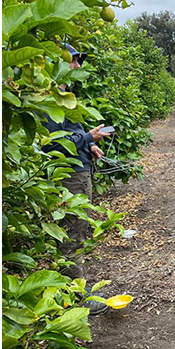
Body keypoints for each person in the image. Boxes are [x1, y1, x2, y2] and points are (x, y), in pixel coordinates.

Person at [42, 44, 113, 287]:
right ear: (56, 63)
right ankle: (75, 293)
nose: (78, 65)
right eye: (73, 60)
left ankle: (70, 287)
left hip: (78, 171)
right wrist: (88, 137)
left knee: (77, 230)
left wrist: (89, 144)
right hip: (70, 176)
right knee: (73, 233)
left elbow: (71, 132)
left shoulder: (65, 98)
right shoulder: (49, 101)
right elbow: (52, 145)